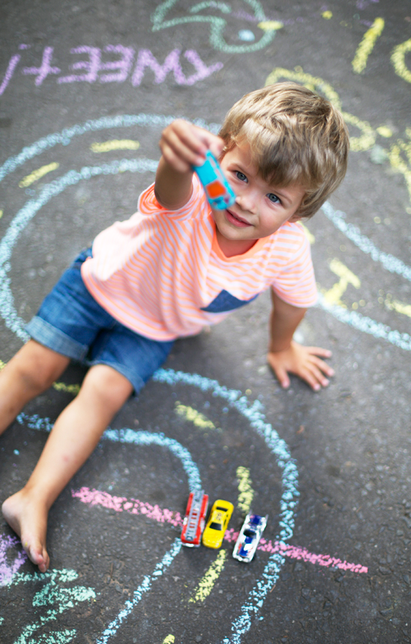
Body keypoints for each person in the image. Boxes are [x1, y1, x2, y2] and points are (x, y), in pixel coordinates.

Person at [1, 82, 349, 572]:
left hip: (154, 328)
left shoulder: (287, 248)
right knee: (32, 371)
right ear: (219, 154)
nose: (246, 202)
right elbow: (171, 185)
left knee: (100, 398)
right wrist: (176, 156)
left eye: (274, 196)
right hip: (100, 286)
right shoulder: (193, 200)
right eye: (240, 175)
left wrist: (282, 347)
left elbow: (292, 304)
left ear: (300, 210)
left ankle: (32, 498)